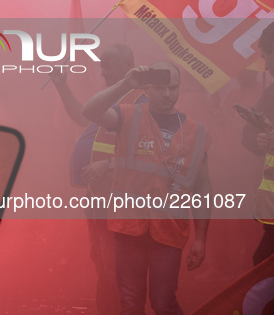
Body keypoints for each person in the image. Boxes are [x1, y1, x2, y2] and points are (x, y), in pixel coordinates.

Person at [82, 61, 211, 315]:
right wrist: (125, 84)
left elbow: (203, 190)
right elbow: (90, 110)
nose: (167, 94)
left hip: (169, 231)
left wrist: (201, 239)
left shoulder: (197, 132)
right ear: (147, 89)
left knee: (164, 303)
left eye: (173, 87)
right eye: (160, 87)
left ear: (179, 89)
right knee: (130, 304)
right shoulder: (127, 115)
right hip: (128, 228)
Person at [51, 43, 146, 315]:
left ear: (128, 64)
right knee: (101, 260)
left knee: (114, 265)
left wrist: (110, 165)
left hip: (119, 197)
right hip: (97, 195)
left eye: (108, 66)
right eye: (101, 66)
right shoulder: (109, 98)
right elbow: (81, 117)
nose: (102, 72)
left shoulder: (141, 99)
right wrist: (61, 85)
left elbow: (149, 152)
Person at [238, 22, 274, 266]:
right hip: (271, 211)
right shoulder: (271, 94)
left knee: (261, 268)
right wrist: (258, 139)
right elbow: (247, 135)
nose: (266, 65)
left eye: (266, 57)